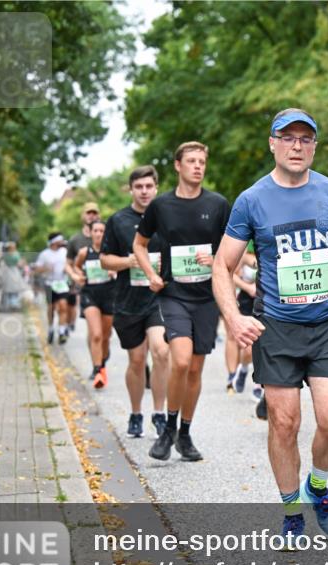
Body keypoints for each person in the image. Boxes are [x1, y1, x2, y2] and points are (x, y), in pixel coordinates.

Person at [214, 108, 328, 542]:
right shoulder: (251, 200)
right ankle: (291, 513)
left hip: (326, 325)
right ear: (273, 143)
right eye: (288, 137)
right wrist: (234, 317)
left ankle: (317, 486)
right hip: (276, 327)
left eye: (305, 138)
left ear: (314, 147)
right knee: (284, 423)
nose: (297, 145)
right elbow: (222, 266)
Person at [135, 142, 230, 462]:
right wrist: (151, 274)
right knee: (181, 360)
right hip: (173, 294)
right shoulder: (161, 206)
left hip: (206, 297)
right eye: (191, 161)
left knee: (195, 369)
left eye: (202, 161)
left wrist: (216, 259)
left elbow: (236, 247)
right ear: (178, 165)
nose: (198, 166)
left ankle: (185, 433)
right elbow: (139, 244)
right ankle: (168, 428)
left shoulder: (218, 204)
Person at [101, 166, 169, 439]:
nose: (144, 191)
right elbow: (104, 260)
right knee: (137, 360)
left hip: (158, 299)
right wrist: (129, 261)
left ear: (156, 188)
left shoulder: (166, 216)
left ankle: (159, 414)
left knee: (161, 352)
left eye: (149, 186)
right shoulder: (118, 220)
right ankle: (136, 413)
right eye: (139, 187)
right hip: (128, 300)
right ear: (131, 190)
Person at [74, 220, 115, 389]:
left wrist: (114, 271)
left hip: (109, 295)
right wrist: (79, 275)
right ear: (90, 233)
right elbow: (76, 266)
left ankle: (102, 362)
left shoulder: (111, 252)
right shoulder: (84, 252)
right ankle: (98, 370)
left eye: (101, 231)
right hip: (90, 294)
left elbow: (121, 268)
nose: (98, 234)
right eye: (95, 230)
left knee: (106, 336)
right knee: (96, 334)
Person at [225, 241, 263, 401]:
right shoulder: (244, 252)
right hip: (248, 301)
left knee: (266, 344)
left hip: (268, 302)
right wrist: (248, 288)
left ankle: (259, 384)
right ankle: (243, 369)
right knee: (248, 349)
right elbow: (230, 274)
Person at [65, 203, 99, 332]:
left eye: (94, 213)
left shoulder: (106, 236)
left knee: (104, 333)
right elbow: (68, 264)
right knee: (94, 330)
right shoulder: (75, 239)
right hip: (85, 286)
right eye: (88, 213)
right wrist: (74, 275)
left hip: (106, 285)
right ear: (83, 216)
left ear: (99, 216)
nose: (91, 216)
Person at [35, 233, 71, 344]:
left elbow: (70, 263)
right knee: (51, 308)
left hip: (62, 283)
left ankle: (61, 332)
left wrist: (68, 270)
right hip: (49, 283)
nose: (62, 242)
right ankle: (51, 329)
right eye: (60, 240)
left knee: (63, 306)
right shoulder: (44, 254)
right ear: (54, 242)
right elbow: (37, 269)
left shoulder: (65, 252)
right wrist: (45, 268)